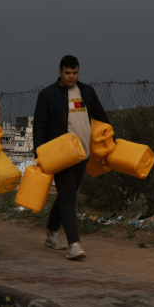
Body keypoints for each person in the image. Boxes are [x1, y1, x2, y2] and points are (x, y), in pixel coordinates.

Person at [33, 55, 110, 260]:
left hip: (83, 154)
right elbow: (39, 126)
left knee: (67, 193)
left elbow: (102, 118)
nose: (71, 76)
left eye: (74, 72)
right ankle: (74, 244)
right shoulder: (47, 95)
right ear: (59, 72)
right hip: (60, 155)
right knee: (68, 196)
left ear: (78, 71)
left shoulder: (87, 92)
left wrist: (111, 141)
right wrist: (39, 153)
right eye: (67, 73)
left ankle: (51, 232)